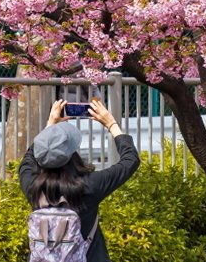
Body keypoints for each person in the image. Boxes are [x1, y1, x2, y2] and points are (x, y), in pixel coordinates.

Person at [19, 97, 139, 262]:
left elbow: (28, 159)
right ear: (73, 153)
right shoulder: (89, 185)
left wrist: (50, 126)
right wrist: (111, 124)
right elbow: (130, 160)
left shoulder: (32, 185)